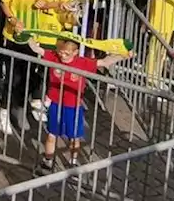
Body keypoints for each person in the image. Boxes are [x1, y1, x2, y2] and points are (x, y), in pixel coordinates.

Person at [39, 38, 129, 173]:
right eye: (61, 52)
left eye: (67, 54)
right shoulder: (54, 57)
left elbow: (104, 62)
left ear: (75, 52)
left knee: (74, 137)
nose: (63, 56)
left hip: (73, 106)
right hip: (56, 104)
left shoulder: (82, 62)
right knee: (52, 135)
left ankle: (73, 162)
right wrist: (23, 33)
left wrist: (123, 54)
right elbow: (36, 49)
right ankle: (48, 161)